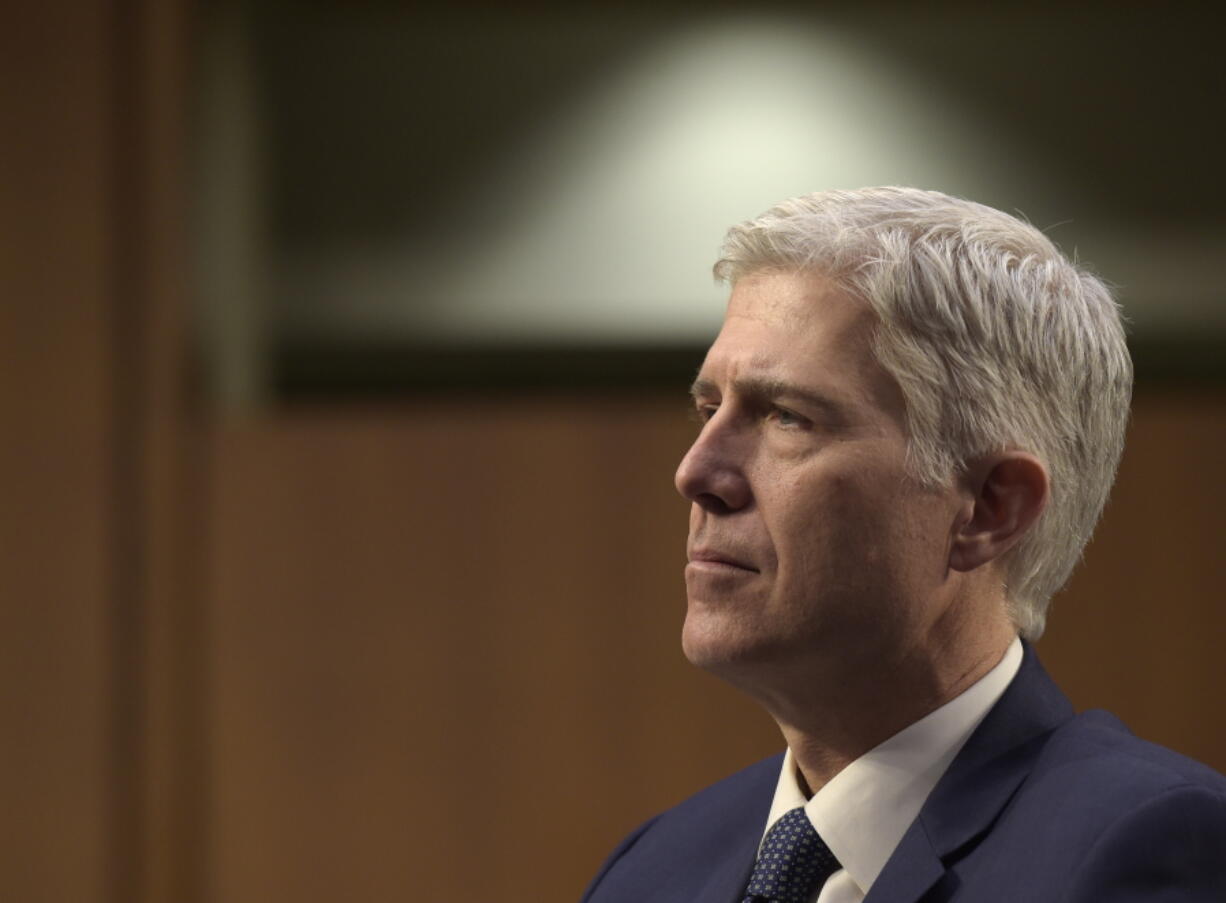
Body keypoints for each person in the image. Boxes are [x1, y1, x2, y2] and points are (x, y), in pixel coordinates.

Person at [581, 187, 1226, 902]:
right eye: (709, 409)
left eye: (786, 417)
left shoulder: (1141, 848)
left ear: (988, 507)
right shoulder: (651, 869)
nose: (695, 472)